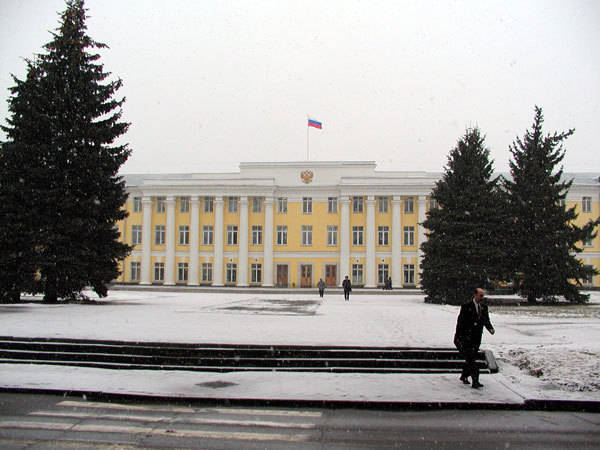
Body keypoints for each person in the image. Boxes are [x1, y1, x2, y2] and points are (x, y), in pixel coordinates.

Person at [453, 287, 495, 389]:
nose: (482, 298)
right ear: (475, 295)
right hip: (466, 338)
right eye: (481, 295)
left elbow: (486, 320)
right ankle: (475, 381)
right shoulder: (466, 307)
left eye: (483, 296)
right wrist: (458, 337)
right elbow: (460, 323)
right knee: (472, 360)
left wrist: (490, 328)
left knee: (470, 359)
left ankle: (464, 376)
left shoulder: (484, 307)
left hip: (476, 338)